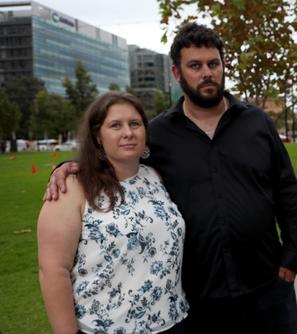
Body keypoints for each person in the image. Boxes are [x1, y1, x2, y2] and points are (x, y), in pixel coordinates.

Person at [45, 23, 297, 333]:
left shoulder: (257, 123)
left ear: (223, 66)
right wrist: (70, 165)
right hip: (200, 296)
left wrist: (293, 254)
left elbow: (286, 189)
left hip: (267, 284)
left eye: (213, 63)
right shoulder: (157, 135)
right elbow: (118, 155)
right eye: (195, 66)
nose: (206, 72)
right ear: (177, 73)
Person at [38, 92, 188, 333]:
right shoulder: (72, 189)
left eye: (135, 124)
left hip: (173, 322)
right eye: (115, 125)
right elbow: (53, 271)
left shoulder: (156, 178)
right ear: (98, 136)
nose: (128, 132)